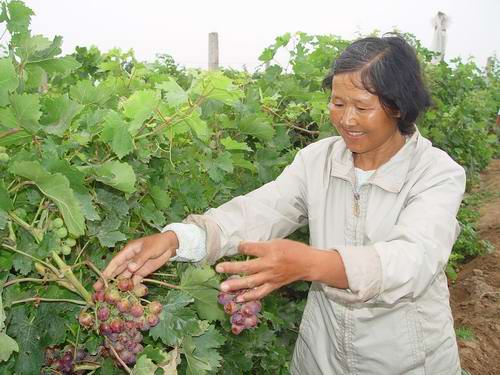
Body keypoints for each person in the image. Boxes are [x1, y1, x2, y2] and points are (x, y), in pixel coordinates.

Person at [94, 35, 465, 374]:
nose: (346, 119)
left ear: (398, 107)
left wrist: (311, 263)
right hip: (322, 360)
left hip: (410, 363)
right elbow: (260, 211)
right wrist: (178, 239)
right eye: (337, 103)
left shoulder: (436, 173)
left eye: (362, 107)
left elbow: (413, 259)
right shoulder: (318, 160)